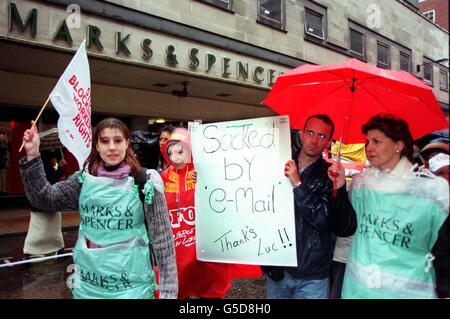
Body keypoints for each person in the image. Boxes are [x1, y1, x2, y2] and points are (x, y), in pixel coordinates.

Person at [19, 118, 177, 299]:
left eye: (117, 141)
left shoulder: (145, 182)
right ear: (97, 145)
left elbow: (163, 242)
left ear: (127, 143)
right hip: (89, 288)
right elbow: (44, 198)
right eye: (105, 141)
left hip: (132, 289)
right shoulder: (84, 181)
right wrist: (32, 154)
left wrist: (169, 292)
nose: (112, 147)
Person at [341, 113, 449, 299]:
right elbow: (345, 225)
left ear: (398, 145)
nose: (369, 148)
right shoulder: (361, 186)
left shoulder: (432, 191)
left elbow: (443, 249)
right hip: (358, 291)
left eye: (376, 141)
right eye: (367, 142)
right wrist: (339, 188)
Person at [160, 127, 261, 298]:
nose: (175, 158)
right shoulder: (164, 177)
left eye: (180, 151)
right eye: (170, 153)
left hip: (207, 253)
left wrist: (206, 182)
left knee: (210, 290)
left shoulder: (204, 172)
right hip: (179, 253)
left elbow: (226, 199)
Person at [265, 114, 357, 299]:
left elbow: (323, 220)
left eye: (322, 136)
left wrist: (298, 185)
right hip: (278, 269)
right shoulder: (277, 164)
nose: (314, 140)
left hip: (313, 275)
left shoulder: (329, 175)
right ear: (301, 134)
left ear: (329, 142)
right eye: (310, 133)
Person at [23, 156, 67, 258]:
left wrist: (59, 168)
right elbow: (50, 182)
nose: (54, 159)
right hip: (44, 205)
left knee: (52, 231)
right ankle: (28, 252)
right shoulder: (44, 168)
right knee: (40, 232)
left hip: (47, 205)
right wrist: (60, 168)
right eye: (52, 157)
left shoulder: (45, 166)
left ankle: (60, 249)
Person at [0, 130, 10, 194]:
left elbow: (8, 153)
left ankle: (4, 190)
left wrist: (7, 162)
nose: (2, 137)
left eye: (3, 136)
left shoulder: (6, 144)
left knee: (3, 176)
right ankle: (1, 190)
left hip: (3, 160)